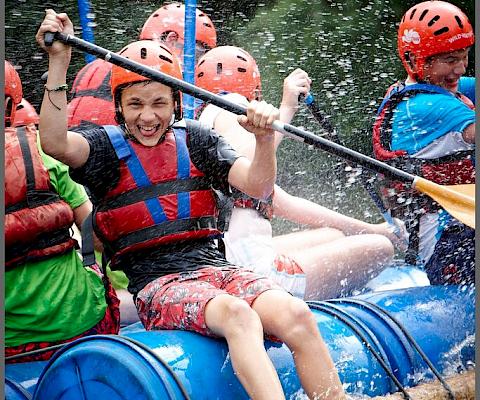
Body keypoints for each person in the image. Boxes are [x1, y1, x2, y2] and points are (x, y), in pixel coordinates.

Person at [36, 10, 345, 400]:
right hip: (157, 285)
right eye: (135, 104)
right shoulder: (102, 149)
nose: (148, 116)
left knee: (297, 315)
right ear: (118, 105)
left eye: (159, 103)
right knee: (238, 315)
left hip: (217, 268)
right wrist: (59, 60)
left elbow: (258, 186)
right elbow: (54, 142)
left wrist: (265, 140)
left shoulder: (196, 140)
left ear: (177, 103)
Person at [195, 45, 399, 300]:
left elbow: (290, 204)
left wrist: (369, 227)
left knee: (333, 234)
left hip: (224, 263)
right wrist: (287, 107)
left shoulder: (200, 128)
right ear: (254, 92)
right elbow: (248, 163)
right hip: (253, 278)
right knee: (380, 248)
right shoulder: (230, 106)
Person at [5, 60, 120, 363]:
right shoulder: (42, 152)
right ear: (9, 104)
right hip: (81, 324)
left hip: (11, 348)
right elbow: (97, 235)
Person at [372, 0, 475, 285]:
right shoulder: (429, 107)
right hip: (448, 243)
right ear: (418, 61)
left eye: (465, 56)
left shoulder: (419, 90)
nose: (461, 68)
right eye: (451, 60)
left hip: (456, 225)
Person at [68, 2, 217, 131]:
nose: (197, 65)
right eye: (198, 53)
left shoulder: (96, 65)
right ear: (172, 39)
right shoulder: (153, 74)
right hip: (113, 156)